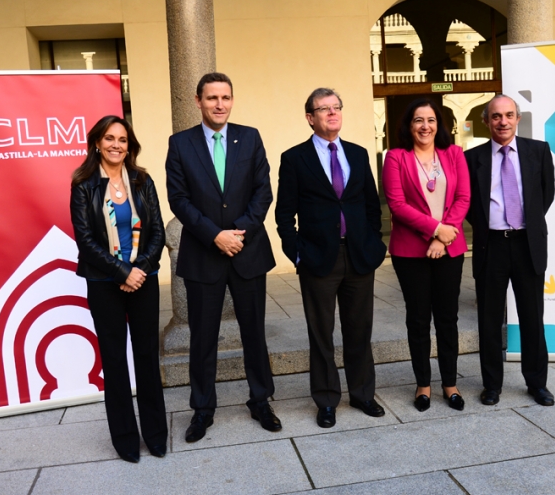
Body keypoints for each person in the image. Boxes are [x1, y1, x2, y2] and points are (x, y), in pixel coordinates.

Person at [165, 72, 281, 443]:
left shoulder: (250, 137)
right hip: (203, 254)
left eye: (226, 97)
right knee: (202, 338)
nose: (220, 104)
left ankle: (261, 400)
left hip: (247, 252)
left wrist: (238, 232)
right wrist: (215, 235)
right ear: (198, 101)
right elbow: (178, 199)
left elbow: (263, 192)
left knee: (254, 333)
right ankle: (202, 409)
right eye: (212, 98)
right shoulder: (180, 144)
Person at [276, 88, 388, 428]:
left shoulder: (358, 153)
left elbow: (371, 205)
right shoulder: (294, 158)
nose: (332, 113)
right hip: (318, 258)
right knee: (321, 333)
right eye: (323, 109)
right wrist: (297, 254)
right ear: (310, 118)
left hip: (358, 256)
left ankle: (363, 394)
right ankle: (326, 400)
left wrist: (374, 244)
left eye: (336, 107)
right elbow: (284, 215)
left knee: (359, 329)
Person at [70, 115, 167, 463]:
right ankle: (125, 438)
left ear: (130, 146)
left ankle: (155, 434)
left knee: (147, 357)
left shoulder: (142, 180)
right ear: (97, 143)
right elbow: (86, 240)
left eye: (122, 140)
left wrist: (139, 269)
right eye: (109, 138)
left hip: (144, 279)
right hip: (104, 283)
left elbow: (158, 232)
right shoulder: (83, 185)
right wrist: (122, 272)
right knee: (113, 360)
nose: (116, 145)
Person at [465, 94, 555, 407]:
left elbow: (546, 194)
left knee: (532, 318)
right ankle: (492, 385)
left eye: (508, 115)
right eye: (495, 116)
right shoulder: (471, 158)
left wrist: (526, 223)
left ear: (517, 118)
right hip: (491, 245)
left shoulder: (538, 151)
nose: (502, 122)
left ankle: (537, 384)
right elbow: (469, 204)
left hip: (527, 244)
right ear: (486, 121)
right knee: (489, 320)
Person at [382, 99, 471, 412]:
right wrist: (435, 230)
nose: (425, 126)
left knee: (447, 318)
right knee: (418, 319)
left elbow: (463, 198)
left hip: (449, 249)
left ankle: (450, 384)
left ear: (439, 124)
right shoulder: (396, 157)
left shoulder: (454, 154)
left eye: (431, 120)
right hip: (410, 251)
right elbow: (397, 205)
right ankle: (423, 384)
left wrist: (444, 239)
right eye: (418, 120)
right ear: (409, 126)